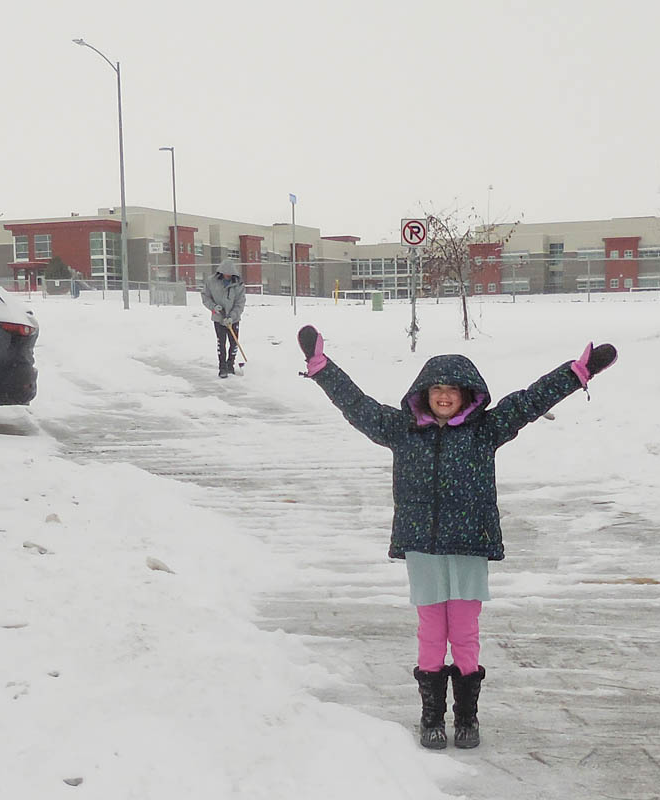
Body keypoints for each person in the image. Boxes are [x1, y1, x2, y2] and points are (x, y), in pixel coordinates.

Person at [296, 325, 616, 750]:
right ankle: (431, 716)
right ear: (423, 394)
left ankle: (466, 716)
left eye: (452, 389)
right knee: (431, 632)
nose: (443, 396)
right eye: (436, 389)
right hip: (423, 548)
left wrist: (576, 373)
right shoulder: (401, 429)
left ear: (469, 396)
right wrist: (321, 368)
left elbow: (529, 401)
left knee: (464, 632)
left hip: (469, 544)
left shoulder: (485, 430)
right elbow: (357, 406)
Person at [201, 258, 246, 378]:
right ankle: (222, 367)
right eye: (225, 274)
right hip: (218, 318)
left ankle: (230, 364)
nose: (227, 276)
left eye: (230, 274)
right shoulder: (211, 281)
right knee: (221, 343)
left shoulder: (238, 284)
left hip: (233, 319)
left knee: (234, 342)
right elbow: (205, 297)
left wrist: (232, 316)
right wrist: (214, 307)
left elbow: (240, 303)